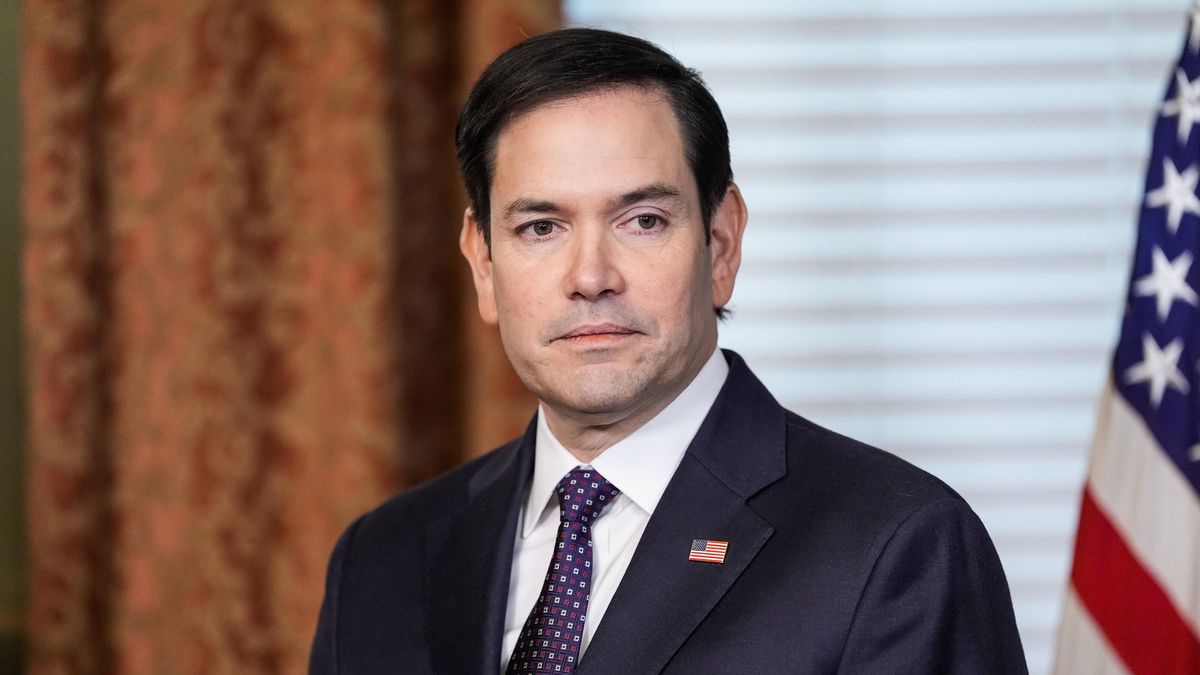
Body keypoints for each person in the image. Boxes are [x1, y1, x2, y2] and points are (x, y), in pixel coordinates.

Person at [308, 28, 1027, 674]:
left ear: (721, 243)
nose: (590, 277)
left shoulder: (897, 548)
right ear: (483, 264)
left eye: (643, 220)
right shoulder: (380, 561)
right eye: (540, 228)